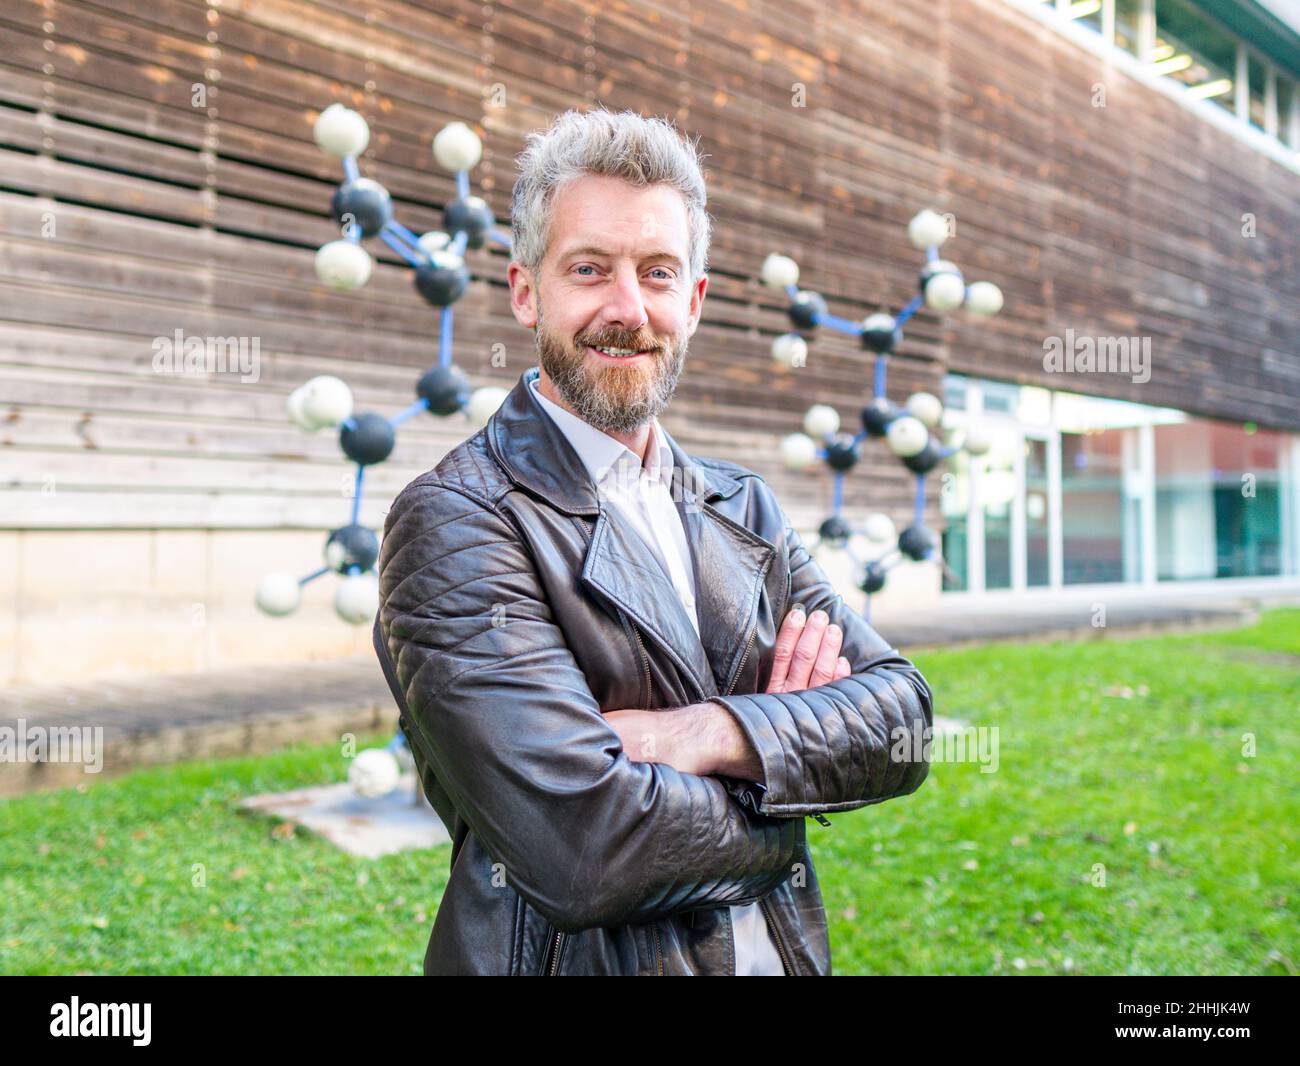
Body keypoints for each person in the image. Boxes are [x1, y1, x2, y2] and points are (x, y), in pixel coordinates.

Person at [374, 107, 933, 975]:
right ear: (527, 292)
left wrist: (700, 735)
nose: (627, 310)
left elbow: (903, 721)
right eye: (590, 269)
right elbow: (586, 849)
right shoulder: (457, 521)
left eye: (658, 273)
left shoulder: (741, 504)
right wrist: (790, 769)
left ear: (695, 301)